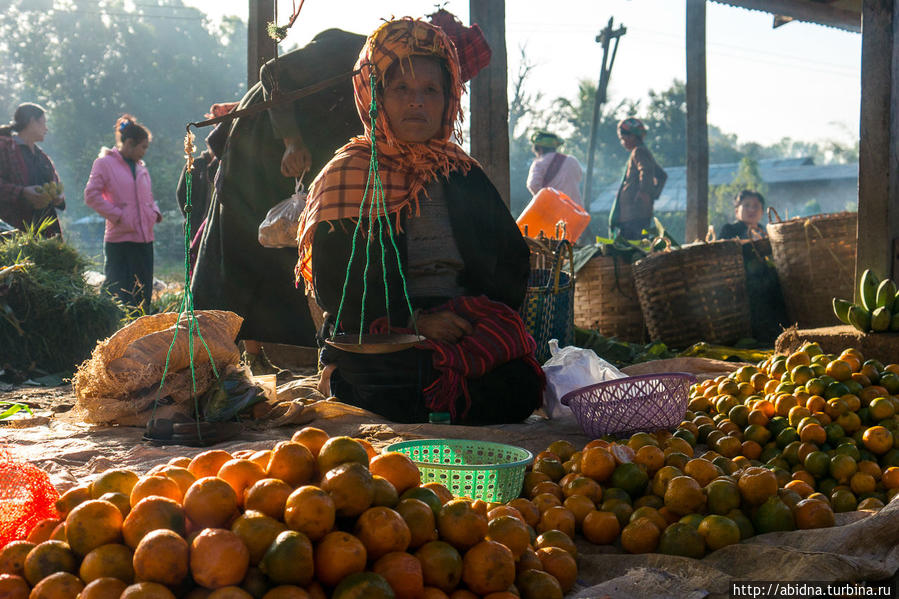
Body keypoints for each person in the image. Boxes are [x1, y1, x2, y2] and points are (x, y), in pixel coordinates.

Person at [297, 18, 544, 425]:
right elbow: (334, 285)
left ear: (449, 99)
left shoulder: (463, 173)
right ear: (375, 96)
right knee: (387, 388)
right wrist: (415, 321)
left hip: (461, 320)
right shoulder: (349, 175)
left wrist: (472, 316)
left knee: (519, 384)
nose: (417, 102)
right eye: (402, 90)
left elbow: (510, 259)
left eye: (431, 90)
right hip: (381, 331)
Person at [84, 114, 161, 314]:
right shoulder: (104, 164)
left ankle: (138, 331)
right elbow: (91, 195)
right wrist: (119, 216)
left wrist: (154, 213)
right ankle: (111, 332)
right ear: (129, 143)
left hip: (145, 238)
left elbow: (148, 196)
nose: (145, 152)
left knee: (142, 292)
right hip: (121, 240)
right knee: (118, 290)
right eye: (143, 147)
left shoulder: (141, 167)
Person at [0, 103, 65, 238]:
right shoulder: (4, 147)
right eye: (43, 123)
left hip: (46, 233)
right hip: (13, 234)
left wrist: (58, 197)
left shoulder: (42, 157)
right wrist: (22, 193)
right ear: (31, 122)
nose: (46, 129)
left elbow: (56, 184)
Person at [609, 117, 667, 239]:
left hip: (634, 214)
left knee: (631, 247)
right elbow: (662, 175)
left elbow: (646, 171)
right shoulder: (642, 152)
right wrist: (653, 194)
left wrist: (644, 192)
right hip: (634, 214)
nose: (622, 142)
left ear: (631, 136)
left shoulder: (639, 152)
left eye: (622, 138)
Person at [526, 130, 583, 206]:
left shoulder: (539, 163)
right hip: (575, 211)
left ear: (539, 149)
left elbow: (533, 185)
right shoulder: (572, 160)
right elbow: (579, 178)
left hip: (554, 211)